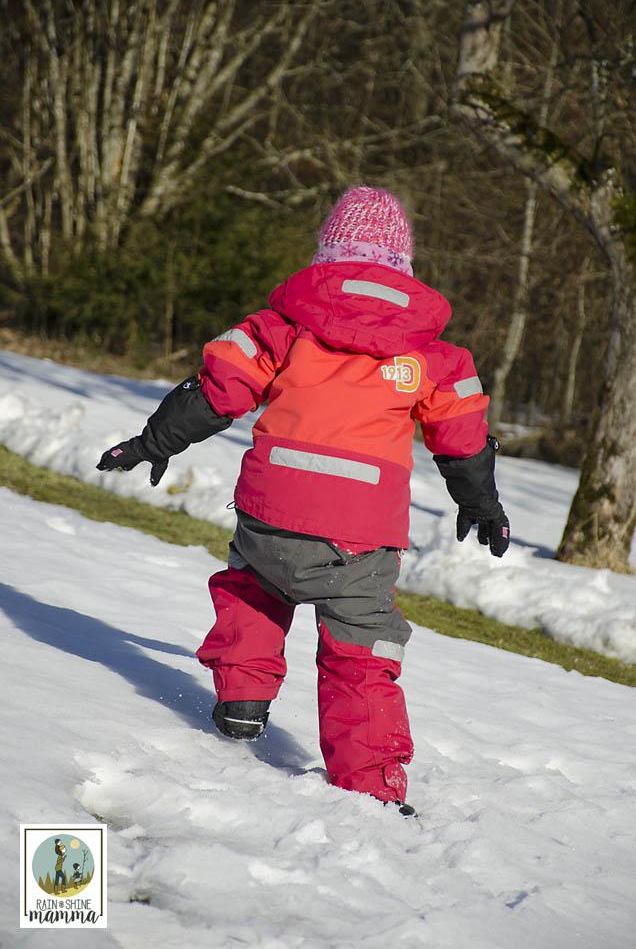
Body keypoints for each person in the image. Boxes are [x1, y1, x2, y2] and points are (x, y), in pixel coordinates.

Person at [97, 187, 509, 816]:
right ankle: (370, 786)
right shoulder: (433, 356)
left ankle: (241, 701)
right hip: (361, 535)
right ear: (402, 269)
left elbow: (217, 389)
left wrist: (155, 442)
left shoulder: (282, 327)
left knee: (253, 587)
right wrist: (482, 502)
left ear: (327, 256)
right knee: (361, 651)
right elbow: (463, 436)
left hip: (271, 508)